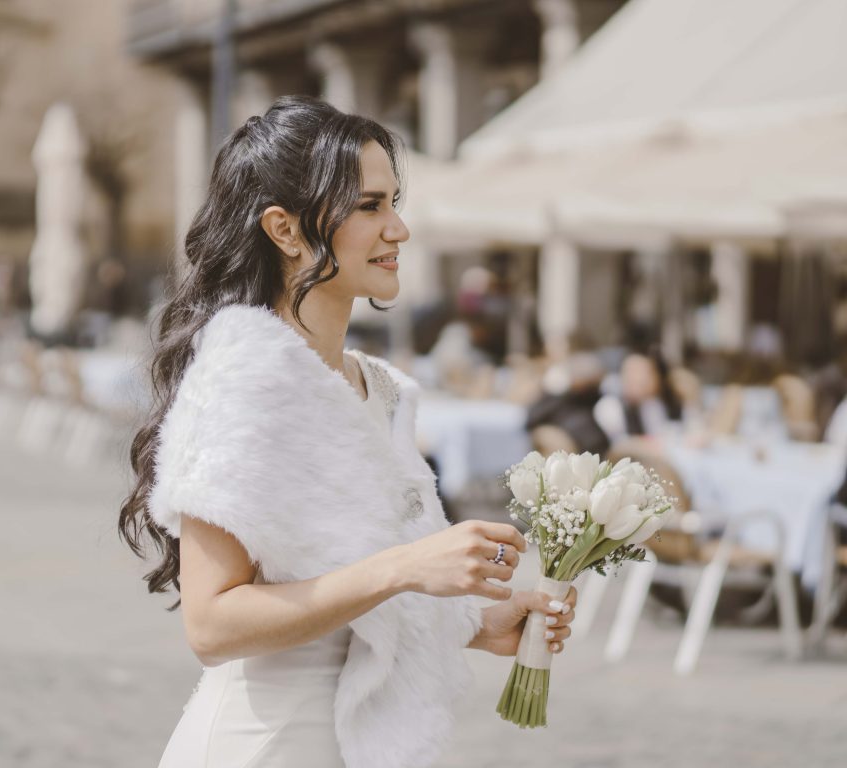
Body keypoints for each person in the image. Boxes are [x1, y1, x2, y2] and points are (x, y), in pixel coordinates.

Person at [118, 96, 578, 768]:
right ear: (286, 230)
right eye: (369, 206)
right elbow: (212, 625)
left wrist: (479, 620)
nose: (398, 228)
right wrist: (406, 568)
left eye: (394, 202)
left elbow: (350, 587)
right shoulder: (243, 380)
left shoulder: (377, 388)